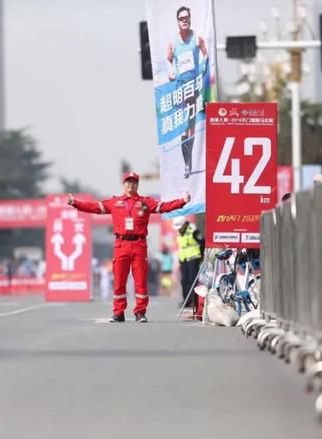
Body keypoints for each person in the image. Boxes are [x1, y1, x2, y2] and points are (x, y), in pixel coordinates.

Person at [68, 171, 190, 322]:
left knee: (140, 280)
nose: (131, 184)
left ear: (137, 185)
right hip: (121, 244)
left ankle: (140, 312)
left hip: (139, 244)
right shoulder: (115, 202)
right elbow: (94, 207)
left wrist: (182, 201)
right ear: (123, 184)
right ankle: (118, 312)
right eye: (128, 181)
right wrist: (75, 203)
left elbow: (164, 207)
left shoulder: (145, 202)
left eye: (134, 182)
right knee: (119, 280)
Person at [166, 6, 208, 179]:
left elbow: (206, 54)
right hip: (181, 88)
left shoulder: (197, 39)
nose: (184, 20)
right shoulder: (172, 43)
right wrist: (170, 72)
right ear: (177, 21)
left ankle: (189, 160)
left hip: (194, 87)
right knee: (185, 125)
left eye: (187, 18)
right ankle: (187, 164)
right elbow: (169, 61)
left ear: (190, 19)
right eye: (181, 18)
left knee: (190, 125)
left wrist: (203, 69)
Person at [173, 217, 204, 308]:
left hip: (193, 258)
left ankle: (193, 301)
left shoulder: (193, 230)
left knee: (192, 280)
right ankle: (186, 300)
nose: (178, 228)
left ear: (184, 224)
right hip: (183, 259)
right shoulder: (179, 232)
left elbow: (202, 242)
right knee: (184, 281)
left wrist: (201, 256)